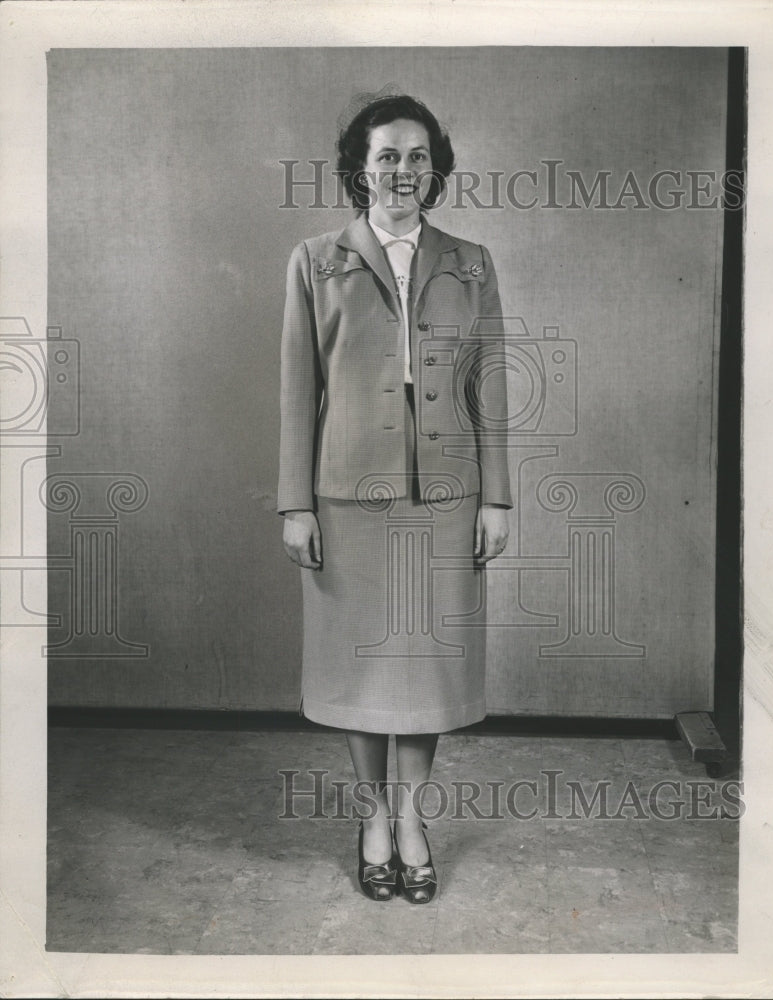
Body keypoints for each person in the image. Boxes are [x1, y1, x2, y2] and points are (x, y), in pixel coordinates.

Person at [278, 94, 511, 903]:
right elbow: (294, 389)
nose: (401, 172)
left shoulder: (472, 262)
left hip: (446, 496)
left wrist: (498, 498)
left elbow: (491, 386)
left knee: (423, 673)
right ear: (359, 168)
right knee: (362, 668)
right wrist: (293, 503)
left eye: (416, 157)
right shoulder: (315, 260)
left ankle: (411, 820)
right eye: (385, 157)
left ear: (434, 168)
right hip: (346, 493)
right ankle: (372, 817)